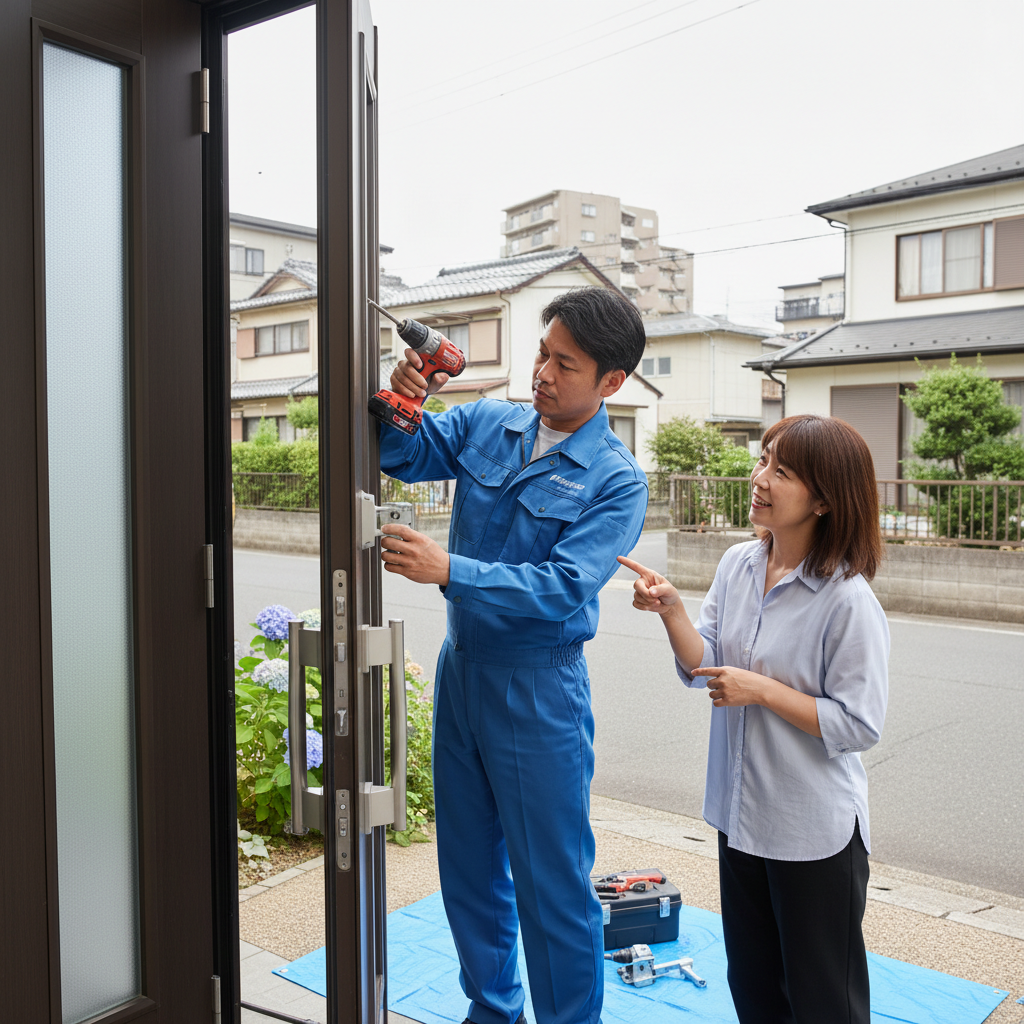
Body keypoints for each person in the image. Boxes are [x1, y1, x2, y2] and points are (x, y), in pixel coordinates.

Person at [377, 286, 649, 1024]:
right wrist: (405, 402)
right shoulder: (487, 423)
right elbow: (403, 454)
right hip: (462, 669)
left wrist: (450, 570)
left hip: (538, 688)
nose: (542, 374)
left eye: (565, 364)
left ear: (611, 382)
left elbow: (564, 587)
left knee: (551, 885)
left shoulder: (616, 481)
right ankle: (493, 1010)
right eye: (542, 353)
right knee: (468, 869)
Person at [619, 414, 889, 1024]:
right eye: (763, 460)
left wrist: (762, 691)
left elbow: (859, 724)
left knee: (825, 1003)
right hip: (740, 817)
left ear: (823, 500)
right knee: (754, 989)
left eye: (781, 470)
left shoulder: (847, 599)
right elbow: (706, 668)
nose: (759, 478)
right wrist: (672, 611)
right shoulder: (738, 564)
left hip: (812, 833)